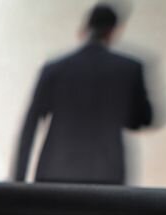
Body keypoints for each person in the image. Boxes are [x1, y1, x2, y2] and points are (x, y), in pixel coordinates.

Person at [14, 4, 153, 184]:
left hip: (55, 174)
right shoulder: (129, 69)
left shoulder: (55, 69)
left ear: (86, 28)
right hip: (107, 175)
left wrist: (18, 180)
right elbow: (144, 119)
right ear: (113, 31)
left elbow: (30, 125)